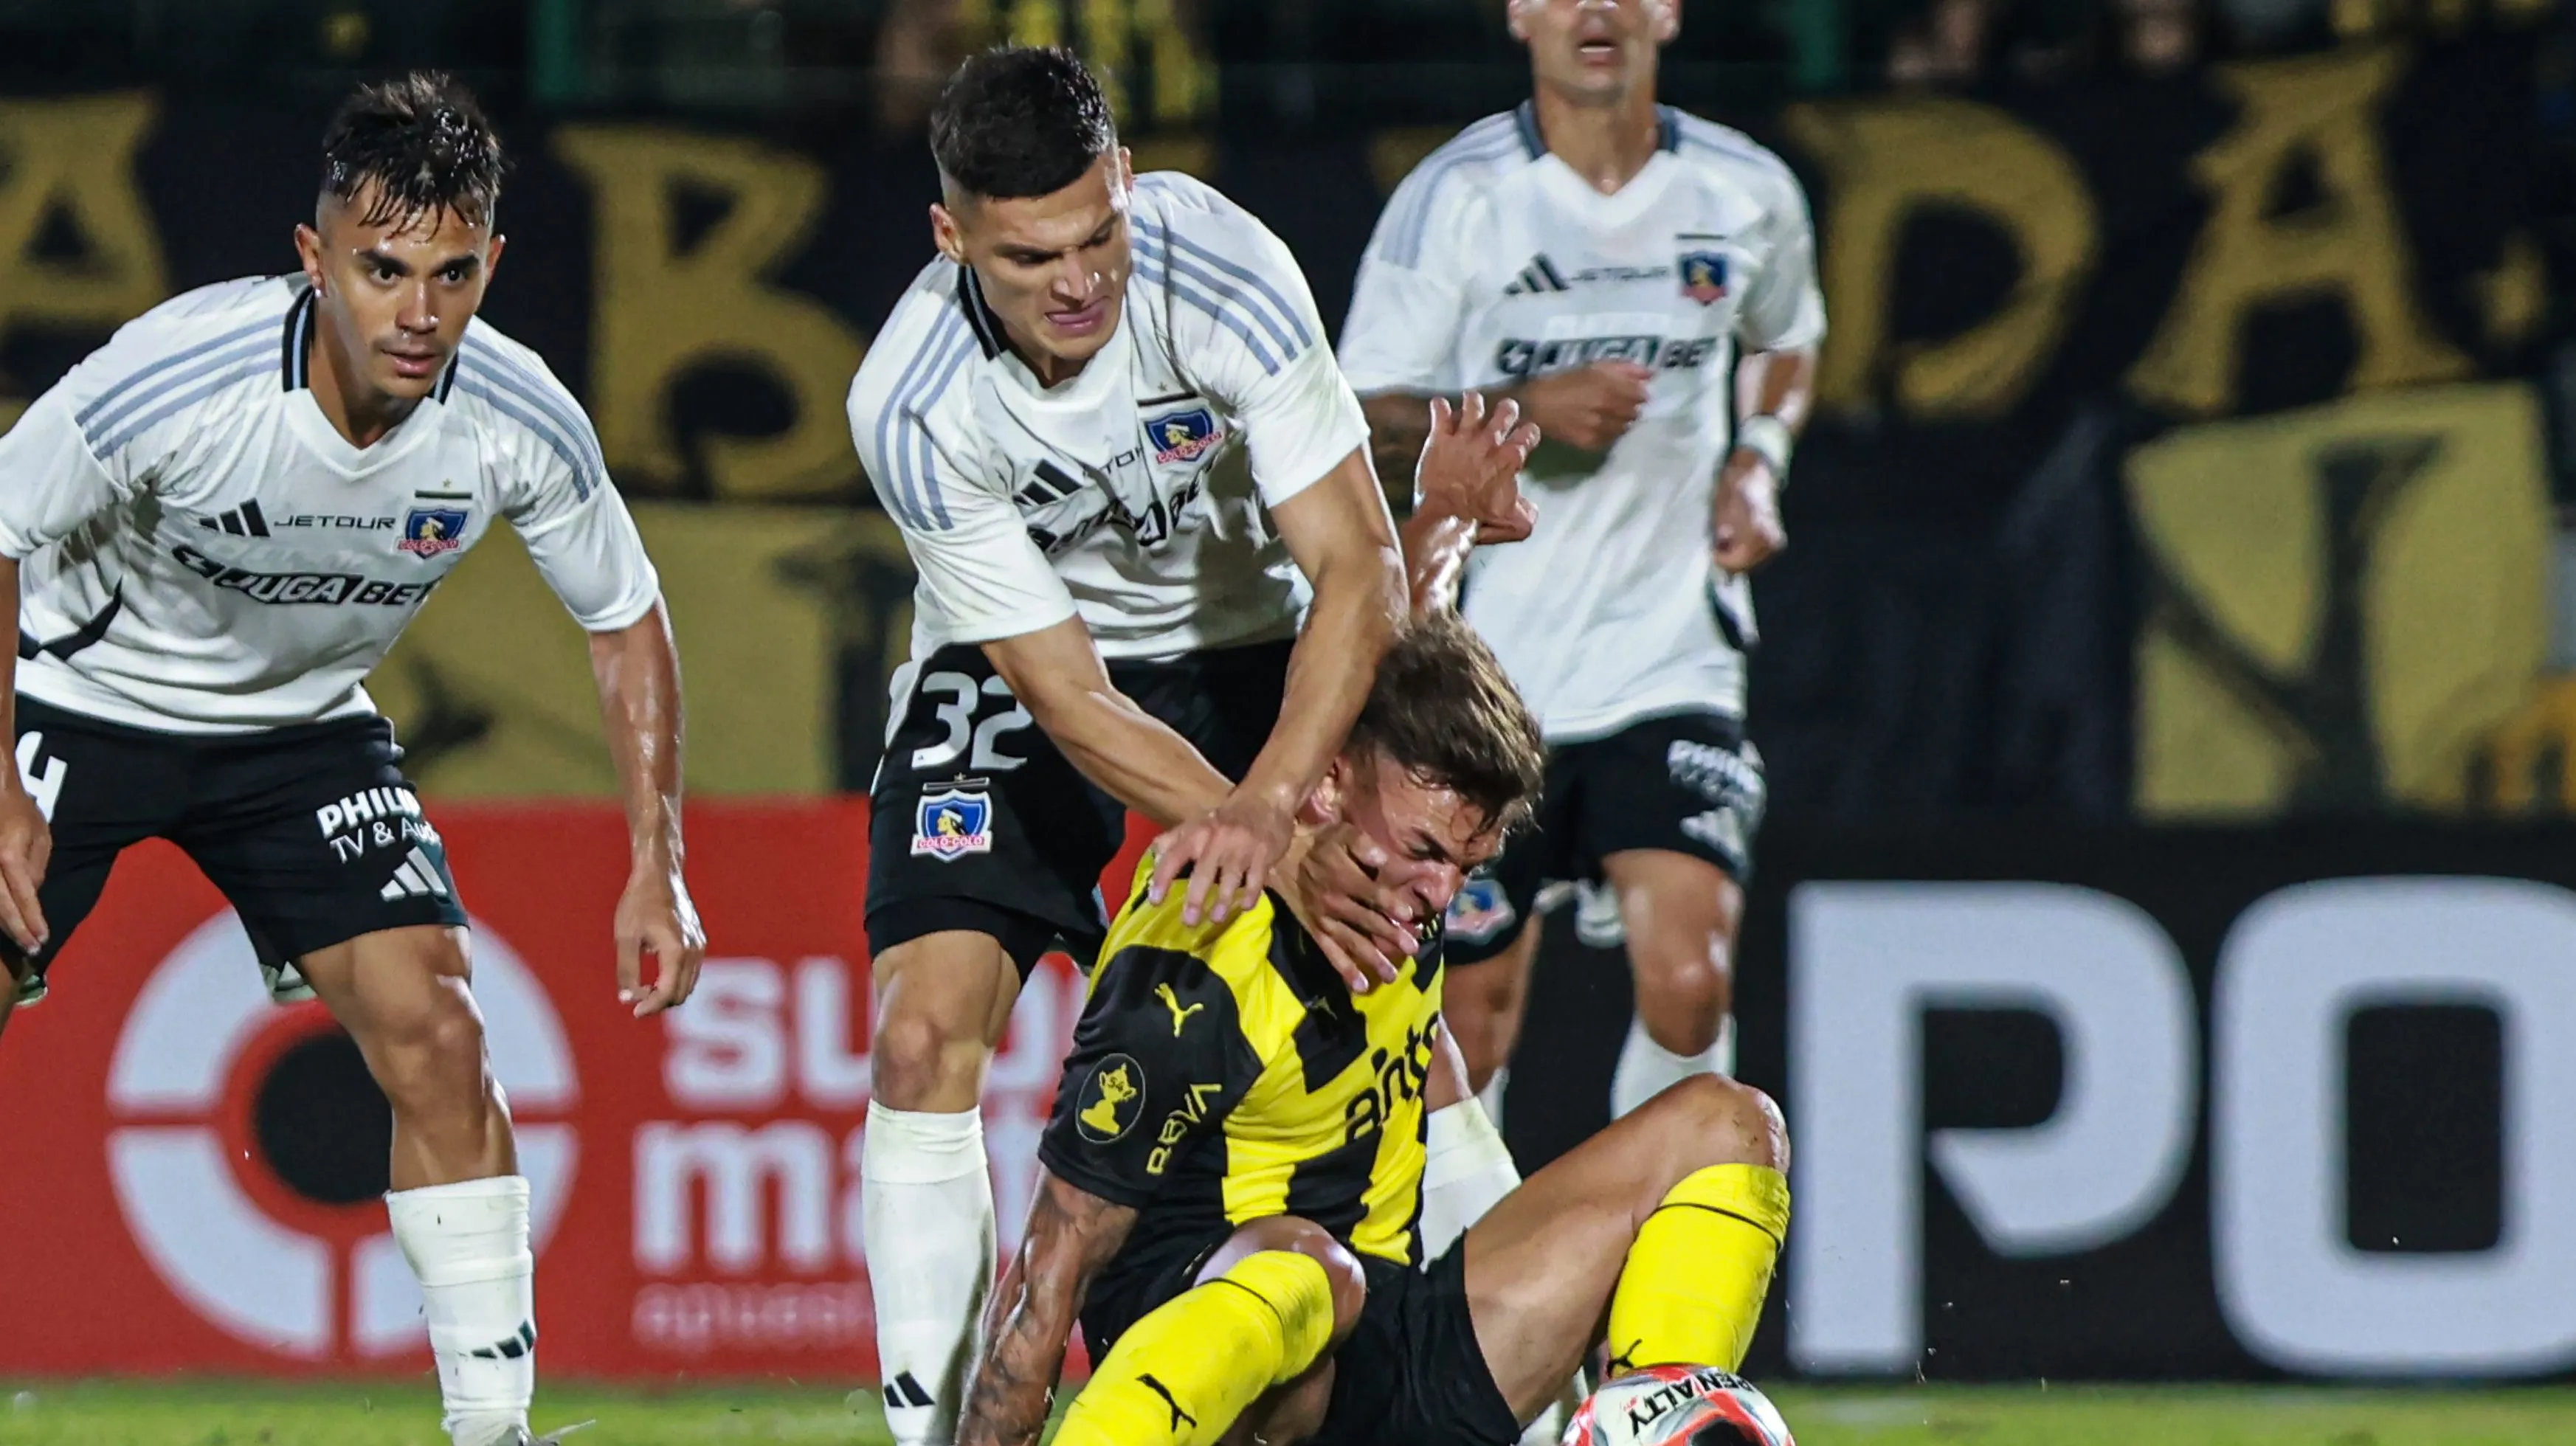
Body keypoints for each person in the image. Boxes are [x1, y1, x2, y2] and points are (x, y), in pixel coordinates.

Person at [0, 74, 702, 1446]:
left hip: (303, 729)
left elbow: (625, 623)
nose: (418, 313)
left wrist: (657, 867)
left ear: (493, 263)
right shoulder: (178, 379)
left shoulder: (516, 419)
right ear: (314, 258)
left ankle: (491, 1430)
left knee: (440, 1034)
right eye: (382, 270)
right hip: (84, 698)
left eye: (451, 273)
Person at [845, 46, 1529, 1445]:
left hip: (1251, 642)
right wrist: (1261, 838)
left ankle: (1536, 1386)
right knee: (922, 1039)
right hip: (1028, 662)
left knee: (1393, 1001)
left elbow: (1356, 578)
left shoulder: (1221, 271)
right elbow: (1071, 696)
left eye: (1100, 232)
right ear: (952, 237)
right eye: (1033, 256)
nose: (1081, 279)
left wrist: (1276, 807)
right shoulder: (908, 404)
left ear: (1128, 187)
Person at [953, 610, 1792, 1446]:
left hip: (1387, 1340)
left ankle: (1641, 1431)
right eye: (1426, 850)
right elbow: (1047, 1270)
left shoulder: (1387, 870)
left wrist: (1450, 512)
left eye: (1466, 867)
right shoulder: (1201, 948)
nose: (1441, 895)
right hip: (1226, 1375)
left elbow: (1378, 614)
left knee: (1725, 1121)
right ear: (1325, 783)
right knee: (1311, 1268)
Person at [1338, 0, 1825, 1130]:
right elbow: (1360, 413)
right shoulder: (1457, 200)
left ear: (1666, 10)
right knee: (1468, 1026)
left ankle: (1658, 1285)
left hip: (1670, 655)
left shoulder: (1742, 190)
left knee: (1690, 977)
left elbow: (1786, 337)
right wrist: (1523, 411)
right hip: (1489, 681)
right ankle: (1466, 1294)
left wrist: (1757, 459)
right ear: (1517, 14)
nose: (1593, 12)